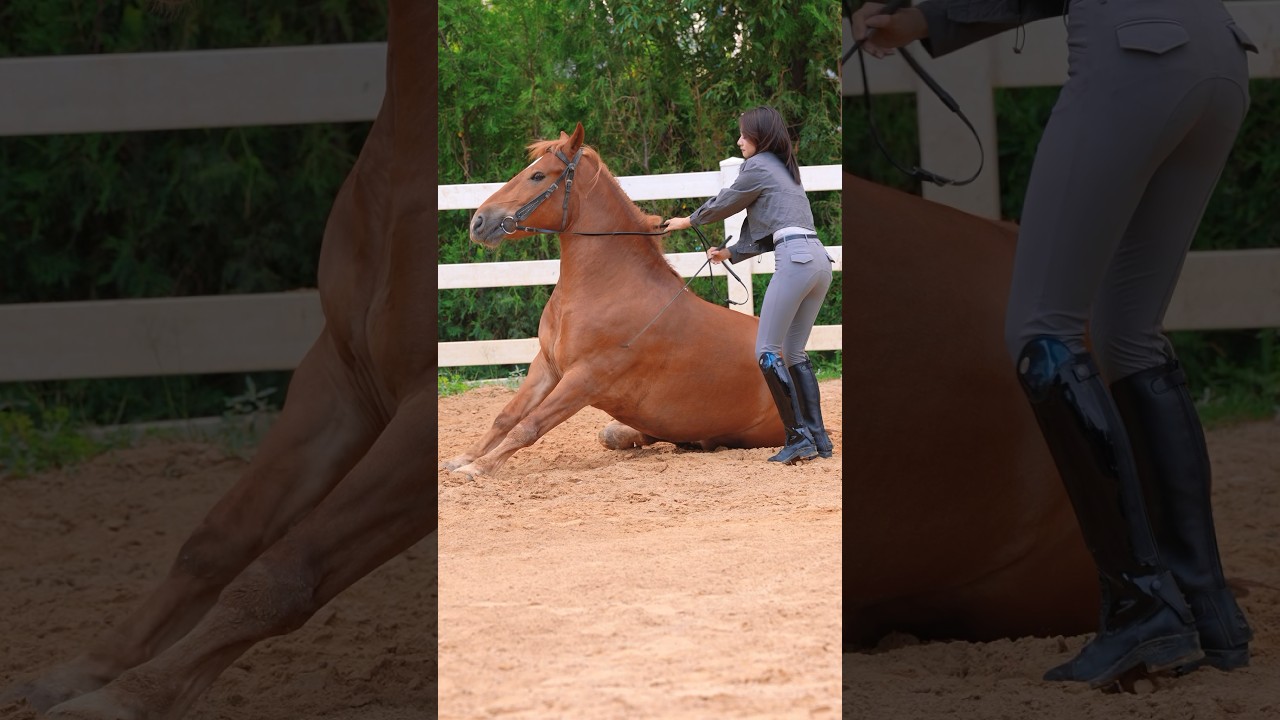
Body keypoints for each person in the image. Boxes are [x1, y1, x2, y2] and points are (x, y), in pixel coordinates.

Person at [850, 0, 1255, 688]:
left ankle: (1141, 606)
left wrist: (922, 13)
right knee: (1129, 335)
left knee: (1042, 333)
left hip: (1134, 56)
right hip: (1220, 54)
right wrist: (923, 23)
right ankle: (1208, 608)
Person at [664, 105, 834, 465]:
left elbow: (727, 201)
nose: (740, 141)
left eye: (744, 135)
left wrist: (687, 221)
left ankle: (798, 437)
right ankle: (818, 438)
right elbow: (776, 226)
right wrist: (730, 253)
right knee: (795, 352)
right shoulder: (786, 171)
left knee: (767, 352)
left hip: (795, 261)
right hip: (818, 261)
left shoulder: (757, 166)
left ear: (761, 136)